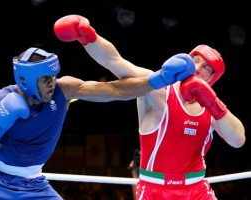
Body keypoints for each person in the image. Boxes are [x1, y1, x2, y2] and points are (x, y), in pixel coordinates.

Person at [0, 42, 195, 198]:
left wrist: (159, 79)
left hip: (34, 186)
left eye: (53, 75)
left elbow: (115, 90)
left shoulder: (65, 89)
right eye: (45, 79)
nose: (52, 82)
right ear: (26, 80)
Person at [53, 15, 246, 199]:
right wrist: (88, 36)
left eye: (206, 68)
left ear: (213, 79)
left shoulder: (213, 108)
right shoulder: (159, 89)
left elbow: (238, 140)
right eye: (196, 61)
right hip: (154, 189)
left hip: (196, 189)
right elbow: (115, 61)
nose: (198, 69)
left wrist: (213, 103)